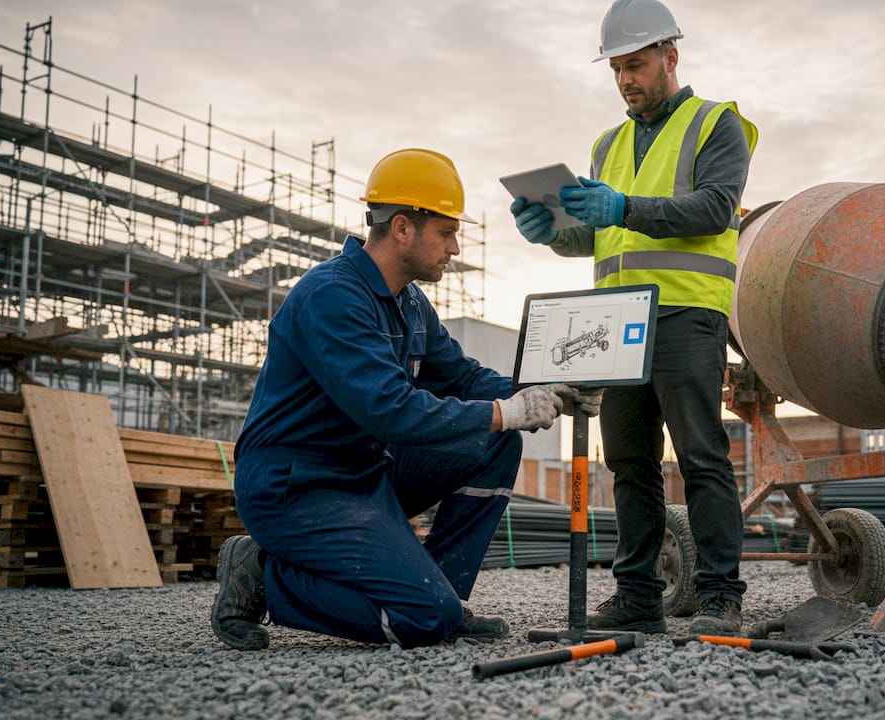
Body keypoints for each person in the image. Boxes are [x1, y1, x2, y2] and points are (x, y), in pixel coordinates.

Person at [211, 148, 598, 651]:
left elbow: (462, 377)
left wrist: (541, 394)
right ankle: (263, 573)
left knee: (496, 443)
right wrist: (508, 413)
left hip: (363, 472)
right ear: (401, 228)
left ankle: (443, 601)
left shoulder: (409, 302)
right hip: (296, 487)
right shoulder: (331, 296)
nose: (455, 247)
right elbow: (389, 409)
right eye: (446, 232)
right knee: (420, 620)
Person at [510, 0, 758, 635]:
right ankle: (639, 596)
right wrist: (553, 235)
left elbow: (712, 209)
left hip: (685, 313)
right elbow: (602, 235)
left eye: (637, 64)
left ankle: (720, 595)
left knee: (702, 455)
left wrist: (620, 207)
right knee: (629, 462)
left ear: (670, 57)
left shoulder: (716, 126)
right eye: (617, 68)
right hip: (618, 321)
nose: (626, 79)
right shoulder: (607, 144)